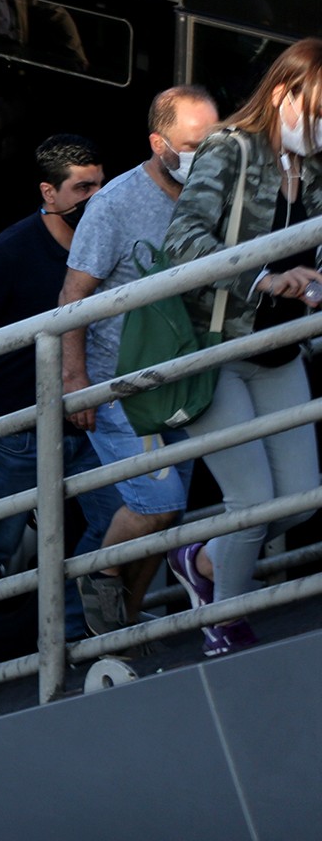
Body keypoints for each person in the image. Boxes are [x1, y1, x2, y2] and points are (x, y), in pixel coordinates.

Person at [0, 135, 119, 678]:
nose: (96, 198)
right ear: (48, 193)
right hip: (13, 429)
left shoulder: (105, 241)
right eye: (83, 187)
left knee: (120, 515)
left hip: (86, 419)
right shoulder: (8, 253)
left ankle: (76, 632)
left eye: (101, 183)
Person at [163, 39, 322, 656]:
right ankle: (222, 621)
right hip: (219, 350)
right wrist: (260, 277)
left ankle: (198, 558)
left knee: (301, 499)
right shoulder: (230, 149)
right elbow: (182, 243)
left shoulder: (313, 169)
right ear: (283, 94)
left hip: (279, 349)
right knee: (252, 503)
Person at [59, 87, 220, 638]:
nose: (209, 152)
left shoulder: (213, 192)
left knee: (170, 515)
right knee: (158, 501)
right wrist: (75, 380)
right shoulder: (115, 205)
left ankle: (122, 623)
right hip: (118, 388)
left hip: (184, 384)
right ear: (158, 143)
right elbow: (72, 298)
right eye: (195, 143)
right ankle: (101, 587)